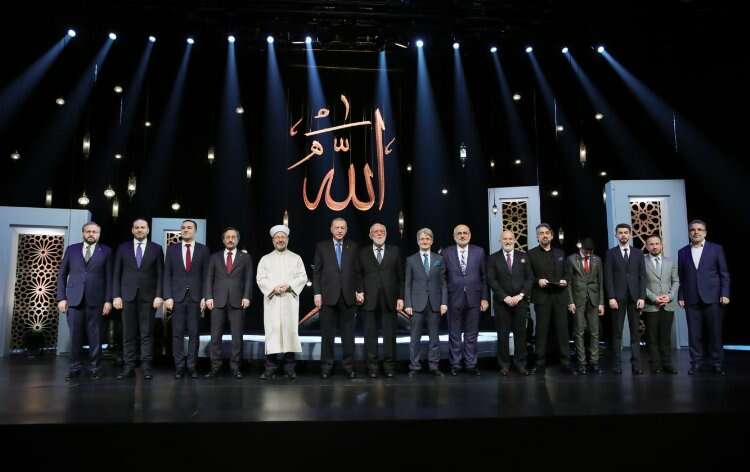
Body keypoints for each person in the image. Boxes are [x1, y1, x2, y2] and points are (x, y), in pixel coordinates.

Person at [56, 222, 112, 381]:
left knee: (96, 337)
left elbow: (109, 277)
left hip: (97, 301)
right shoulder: (71, 249)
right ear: (83, 233)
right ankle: (74, 369)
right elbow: (62, 275)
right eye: (88, 231)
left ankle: (95, 368)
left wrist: (108, 300)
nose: (91, 234)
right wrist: (61, 297)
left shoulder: (106, 251)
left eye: (94, 232)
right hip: (74, 300)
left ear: (99, 234)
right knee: (75, 337)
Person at [112, 219, 164, 380]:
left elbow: (160, 274)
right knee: (128, 334)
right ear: (132, 230)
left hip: (149, 298)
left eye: (143, 227)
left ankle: (146, 367)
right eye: (137, 227)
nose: (140, 230)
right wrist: (116, 295)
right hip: (127, 296)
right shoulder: (123, 248)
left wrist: (159, 295)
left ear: (148, 230)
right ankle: (129, 367)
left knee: (146, 334)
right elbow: (116, 273)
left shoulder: (156, 248)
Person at [677, 219, 730, 375]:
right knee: (694, 334)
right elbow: (682, 276)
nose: (696, 232)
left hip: (713, 297)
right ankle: (696, 363)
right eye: (693, 229)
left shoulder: (716, 249)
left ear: (705, 232)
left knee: (715, 333)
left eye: (699, 229)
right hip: (691, 298)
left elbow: (724, 273)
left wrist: (725, 293)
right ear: (689, 233)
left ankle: (717, 363)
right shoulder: (682, 252)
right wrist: (681, 295)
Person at [256, 225, 308, 380]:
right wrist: (273, 288)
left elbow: (302, 277)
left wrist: (289, 286)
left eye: (283, 237)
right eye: (277, 237)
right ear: (273, 240)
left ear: (287, 239)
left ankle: (289, 368)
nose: (280, 240)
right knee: (273, 333)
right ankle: (270, 368)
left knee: (289, 333)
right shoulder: (265, 259)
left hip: (289, 300)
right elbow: (260, 278)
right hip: (272, 301)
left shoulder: (296, 258)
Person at [313, 218, 362, 379]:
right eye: (337, 227)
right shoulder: (321, 247)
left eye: (342, 228)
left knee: (348, 336)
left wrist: (360, 291)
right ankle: (326, 367)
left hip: (348, 297)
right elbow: (317, 272)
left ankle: (349, 367)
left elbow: (357, 272)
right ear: (331, 229)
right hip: (328, 297)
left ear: (346, 230)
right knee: (327, 335)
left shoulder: (353, 246)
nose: (340, 230)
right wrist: (317, 293)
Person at [204, 227, 253, 379]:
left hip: (237, 301)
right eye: (228, 237)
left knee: (237, 337)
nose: (230, 239)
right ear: (223, 240)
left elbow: (248, 278)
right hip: (217, 300)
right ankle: (215, 367)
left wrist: (247, 296)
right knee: (215, 336)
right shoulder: (215, 257)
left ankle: (235, 367)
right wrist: (208, 297)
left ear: (237, 240)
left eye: (233, 237)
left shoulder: (245, 257)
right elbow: (209, 278)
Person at [163, 219, 209, 379]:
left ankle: (191, 366)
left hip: (196, 297)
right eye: (183, 228)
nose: (185, 230)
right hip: (177, 298)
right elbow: (167, 274)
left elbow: (206, 275)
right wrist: (167, 296)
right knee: (177, 334)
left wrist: (205, 296)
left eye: (189, 227)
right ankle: (179, 367)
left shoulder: (203, 250)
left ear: (195, 231)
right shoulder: (172, 249)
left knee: (194, 334)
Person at [442, 224, 489, 376]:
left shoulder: (479, 251)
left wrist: (484, 298)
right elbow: (443, 278)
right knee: (454, 334)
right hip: (453, 298)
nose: (462, 235)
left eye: (465, 233)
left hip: (474, 297)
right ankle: (455, 365)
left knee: (471, 333)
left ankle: (471, 364)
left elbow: (484, 277)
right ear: (454, 236)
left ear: (469, 235)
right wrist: (444, 300)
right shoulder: (446, 252)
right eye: (459, 233)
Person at [358, 223, 404, 378]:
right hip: (369, 300)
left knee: (389, 335)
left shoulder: (395, 251)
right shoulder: (363, 252)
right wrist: (360, 291)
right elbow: (358, 274)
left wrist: (401, 297)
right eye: (375, 231)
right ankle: (372, 367)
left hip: (390, 299)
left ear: (386, 234)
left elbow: (400, 277)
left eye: (382, 231)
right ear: (370, 235)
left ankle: (389, 366)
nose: (379, 233)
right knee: (370, 335)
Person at [527, 223, 574, 374]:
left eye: (547, 233)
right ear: (537, 237)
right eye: (541, 233)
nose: (544, 235)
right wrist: (537, 281)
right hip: (542, 297)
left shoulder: (560, 253)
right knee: (541, 332)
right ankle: (539, 363)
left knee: (563, 331)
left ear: (552, 236)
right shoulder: (531, 254)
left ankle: (566, 363)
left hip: (560, 296)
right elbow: (528, 276)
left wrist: (566, 280)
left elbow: (568, 272)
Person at [487, 230, 533, 376]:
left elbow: (530, 278)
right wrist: (505, 297)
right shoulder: (493, 258)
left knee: (521, 335)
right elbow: (491, 280)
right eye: (505, 239)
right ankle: (504, 365)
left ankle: (520, 364)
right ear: (500, 241)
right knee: (503, 334)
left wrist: (520, 295)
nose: (507, 241)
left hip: (520, 302)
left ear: (514, 240)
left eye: (510, 239)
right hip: (502, 303)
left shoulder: (523, 256)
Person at [404, 228, 447, 377]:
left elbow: (443, 283)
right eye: (422, 239)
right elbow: (408, 284)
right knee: (415, 338)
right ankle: (415, 366)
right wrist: (408, 304)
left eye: (427, 239)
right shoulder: (411, 260)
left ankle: (434, 366)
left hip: (434, 304)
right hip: (416, 304)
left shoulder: (439, 259)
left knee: (434, 337)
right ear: (418, 241)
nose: (425, 241)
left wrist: (444, 303)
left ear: (432, 241)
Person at [604, 223, 647, 375]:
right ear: (616, 235)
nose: (623, 235)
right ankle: (617, 365)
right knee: (617, 333)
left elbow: (642, 276)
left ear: (630, 234)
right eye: (620, 233)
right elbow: (608, 277)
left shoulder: (638, 253)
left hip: (635, 298)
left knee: (635, 333)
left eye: (625, 232)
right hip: (617, 298)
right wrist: (611, 297)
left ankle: (636, 365)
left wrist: (642, 297)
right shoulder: (611, 253)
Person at [566, 237, 605, 375]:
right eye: (586, 251)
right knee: (579, 331)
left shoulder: (597, 260)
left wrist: (601, 303)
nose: (588, 254)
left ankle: (594, 362)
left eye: (590, 251)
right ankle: (581, 363)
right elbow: (568, 283)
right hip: (578, 299)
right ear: (580, 248)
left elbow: (600, 282)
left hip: (594, 298)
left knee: (595, 331)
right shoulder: (571, 259)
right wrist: (570, 301)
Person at [643, 234, 679, 374]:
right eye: (651, 244)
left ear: (661, 245)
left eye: (657, 243)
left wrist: (669, 296)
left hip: (667, 304)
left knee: (665, 337)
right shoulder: (641, 261)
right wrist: (653, 298)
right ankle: (655, 364)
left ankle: (667, 364)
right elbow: (640, 282)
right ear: (647, 246)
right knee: (652, 337)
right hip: (651, 305)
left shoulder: (670, 261)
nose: (654, 246)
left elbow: (676, 281)